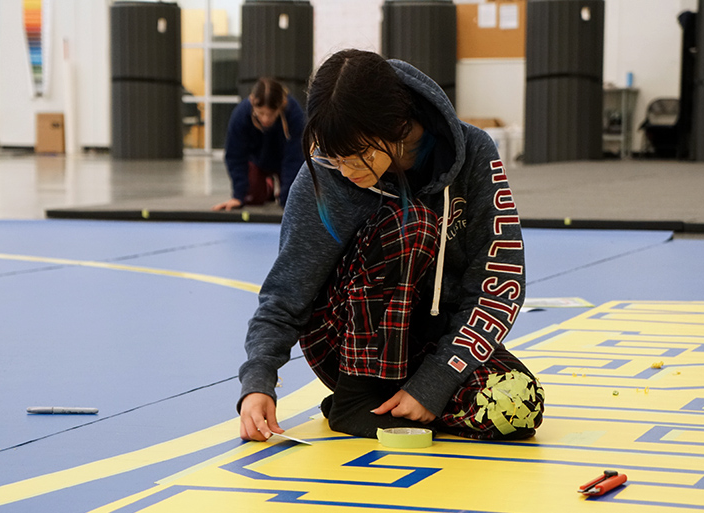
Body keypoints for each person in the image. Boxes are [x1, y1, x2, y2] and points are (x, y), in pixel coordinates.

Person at [237, 49, 544, 442]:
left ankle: (404, 405)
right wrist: (259, 379)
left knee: (516, 406)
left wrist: (435, 383)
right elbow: (286, 291)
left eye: (359, 155)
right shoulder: (330, 171)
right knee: (410, 223)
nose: (346, 170)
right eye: (335, 157)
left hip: (430, 341)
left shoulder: (475, 153)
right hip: (345, 344)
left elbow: (497, 287)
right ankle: (357, 399)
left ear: (399, 126)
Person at [212, 78, 305, 211]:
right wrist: (238, 196)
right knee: (252, 199)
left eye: (271, 114)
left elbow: (294, 159)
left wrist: (288, 199)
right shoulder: (241, 115)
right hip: (257, 161)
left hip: (284, 160)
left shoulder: (294, 114)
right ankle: (269, 186)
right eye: (261, 113)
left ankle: (282, 192)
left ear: (282, 105)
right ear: (252, 102)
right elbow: (235, 156)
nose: (265, 119)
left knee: (293, 197)